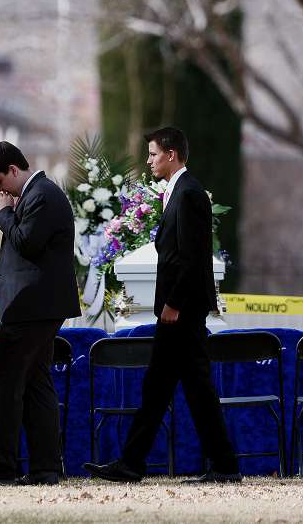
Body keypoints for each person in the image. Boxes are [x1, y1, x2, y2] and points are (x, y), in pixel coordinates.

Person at [83, 127, 241, 485]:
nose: (149, 160)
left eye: (153, 154)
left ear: (171, 155)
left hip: (180, 309)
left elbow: (191, 258)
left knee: (178, 387)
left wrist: (173, 303)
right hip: (179, 309)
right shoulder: (178, 192)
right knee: (168, 387)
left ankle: (143, 464)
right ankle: (138, 463)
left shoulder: (188, 193)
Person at [0, 141, 79, 486]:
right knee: (35, 384)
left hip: (33, 307)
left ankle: (1, 468)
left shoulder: (42, 195)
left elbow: (27, 242)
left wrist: (3, 214)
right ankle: (46, 468)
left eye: (0, 182)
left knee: (4, 381)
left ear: (14, 171)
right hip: (36, 306)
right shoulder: (36, 195)